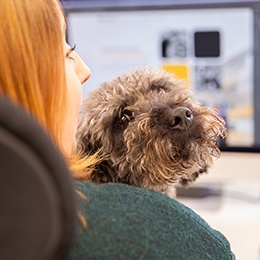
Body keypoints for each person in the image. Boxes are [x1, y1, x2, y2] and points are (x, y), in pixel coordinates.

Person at [0, 0, 235, 259]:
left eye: (161, 89)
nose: (84, 69)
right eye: (124, 118)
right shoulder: (180, 238)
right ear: (99, 165)